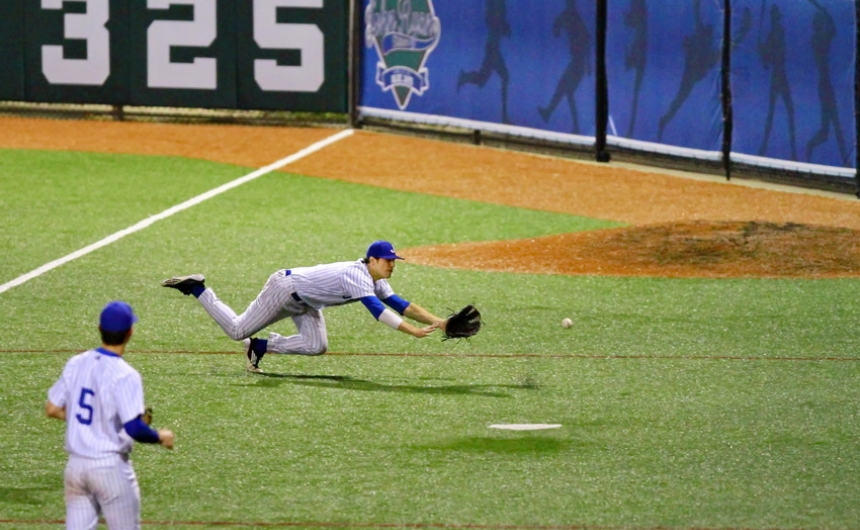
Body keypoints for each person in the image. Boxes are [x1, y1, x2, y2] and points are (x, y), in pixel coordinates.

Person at [160, 240, 448, 372]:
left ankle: (259, 347)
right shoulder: (356, 275)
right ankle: (197, 287)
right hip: (284, 290)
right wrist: (413, 332)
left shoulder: (375, 279)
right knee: (237, 330)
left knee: (316, 346)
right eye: (388, 261)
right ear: (372, 260)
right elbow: (378, 312)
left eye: (393, 262)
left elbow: (402, 305)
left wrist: (441, 322)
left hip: (308, 301)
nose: (392, 266)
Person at [46, 300, 175, 530]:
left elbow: (53, 409)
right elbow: (135, 429)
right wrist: (160, 436)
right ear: (130, 333)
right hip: (110, 469)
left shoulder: (77, 362)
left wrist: (95, 419)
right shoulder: (126, 374)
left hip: (76, 469)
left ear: (99, 329)